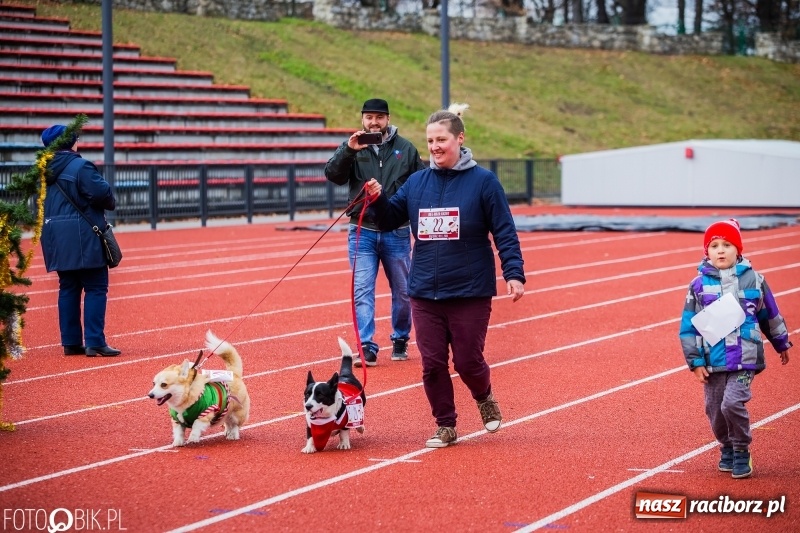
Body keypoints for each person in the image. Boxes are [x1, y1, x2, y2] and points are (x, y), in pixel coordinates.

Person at [365, 103, 526, 448]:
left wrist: (514, 273)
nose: (435, 147)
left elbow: (504, 231)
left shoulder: (484, 182)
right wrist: (377, 199)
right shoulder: (417, 182)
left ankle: (483, 395)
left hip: (469, 290)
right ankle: (446, 424)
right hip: (424, 291)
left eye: (442, 139)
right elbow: (390, 217)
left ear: (459, 139)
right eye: (430, 141)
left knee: (468, 361)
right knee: (433, 364)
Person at [679, 218, 791, 478]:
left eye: (727, 245)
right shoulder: (698, 286)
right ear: (706, 252)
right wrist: (695, 362)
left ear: (738, 250)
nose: (721, 250)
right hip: (713, 360)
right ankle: (727, 446)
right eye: (715, 245)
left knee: (731, 404)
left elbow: (769, 314)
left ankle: (741, 449)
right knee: (715, 411)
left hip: (745, 358)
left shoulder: (755, 280)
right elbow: (689, 327)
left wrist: (781, 341)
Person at [325, 98, 425, 367]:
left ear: (388, 119)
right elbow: (332, 174)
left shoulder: (406, 149)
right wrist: (348, 150)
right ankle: (367, 346)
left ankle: (401, 337)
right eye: (369, 117)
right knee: (362, 291)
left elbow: (423, 182)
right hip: (362, 232)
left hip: (397, 232)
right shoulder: (355, 147)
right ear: (362, 120)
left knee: (403, 292)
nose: (374, 122)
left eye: (379, 117)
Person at [40, 124, 121, 357]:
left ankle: (71, 342)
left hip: (55, 237)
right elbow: (102, 194)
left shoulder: (43, 170)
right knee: (96, 287)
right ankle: (95, 341)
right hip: (83, 234)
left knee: (68, 287)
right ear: (71, 142)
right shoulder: (80, 165)